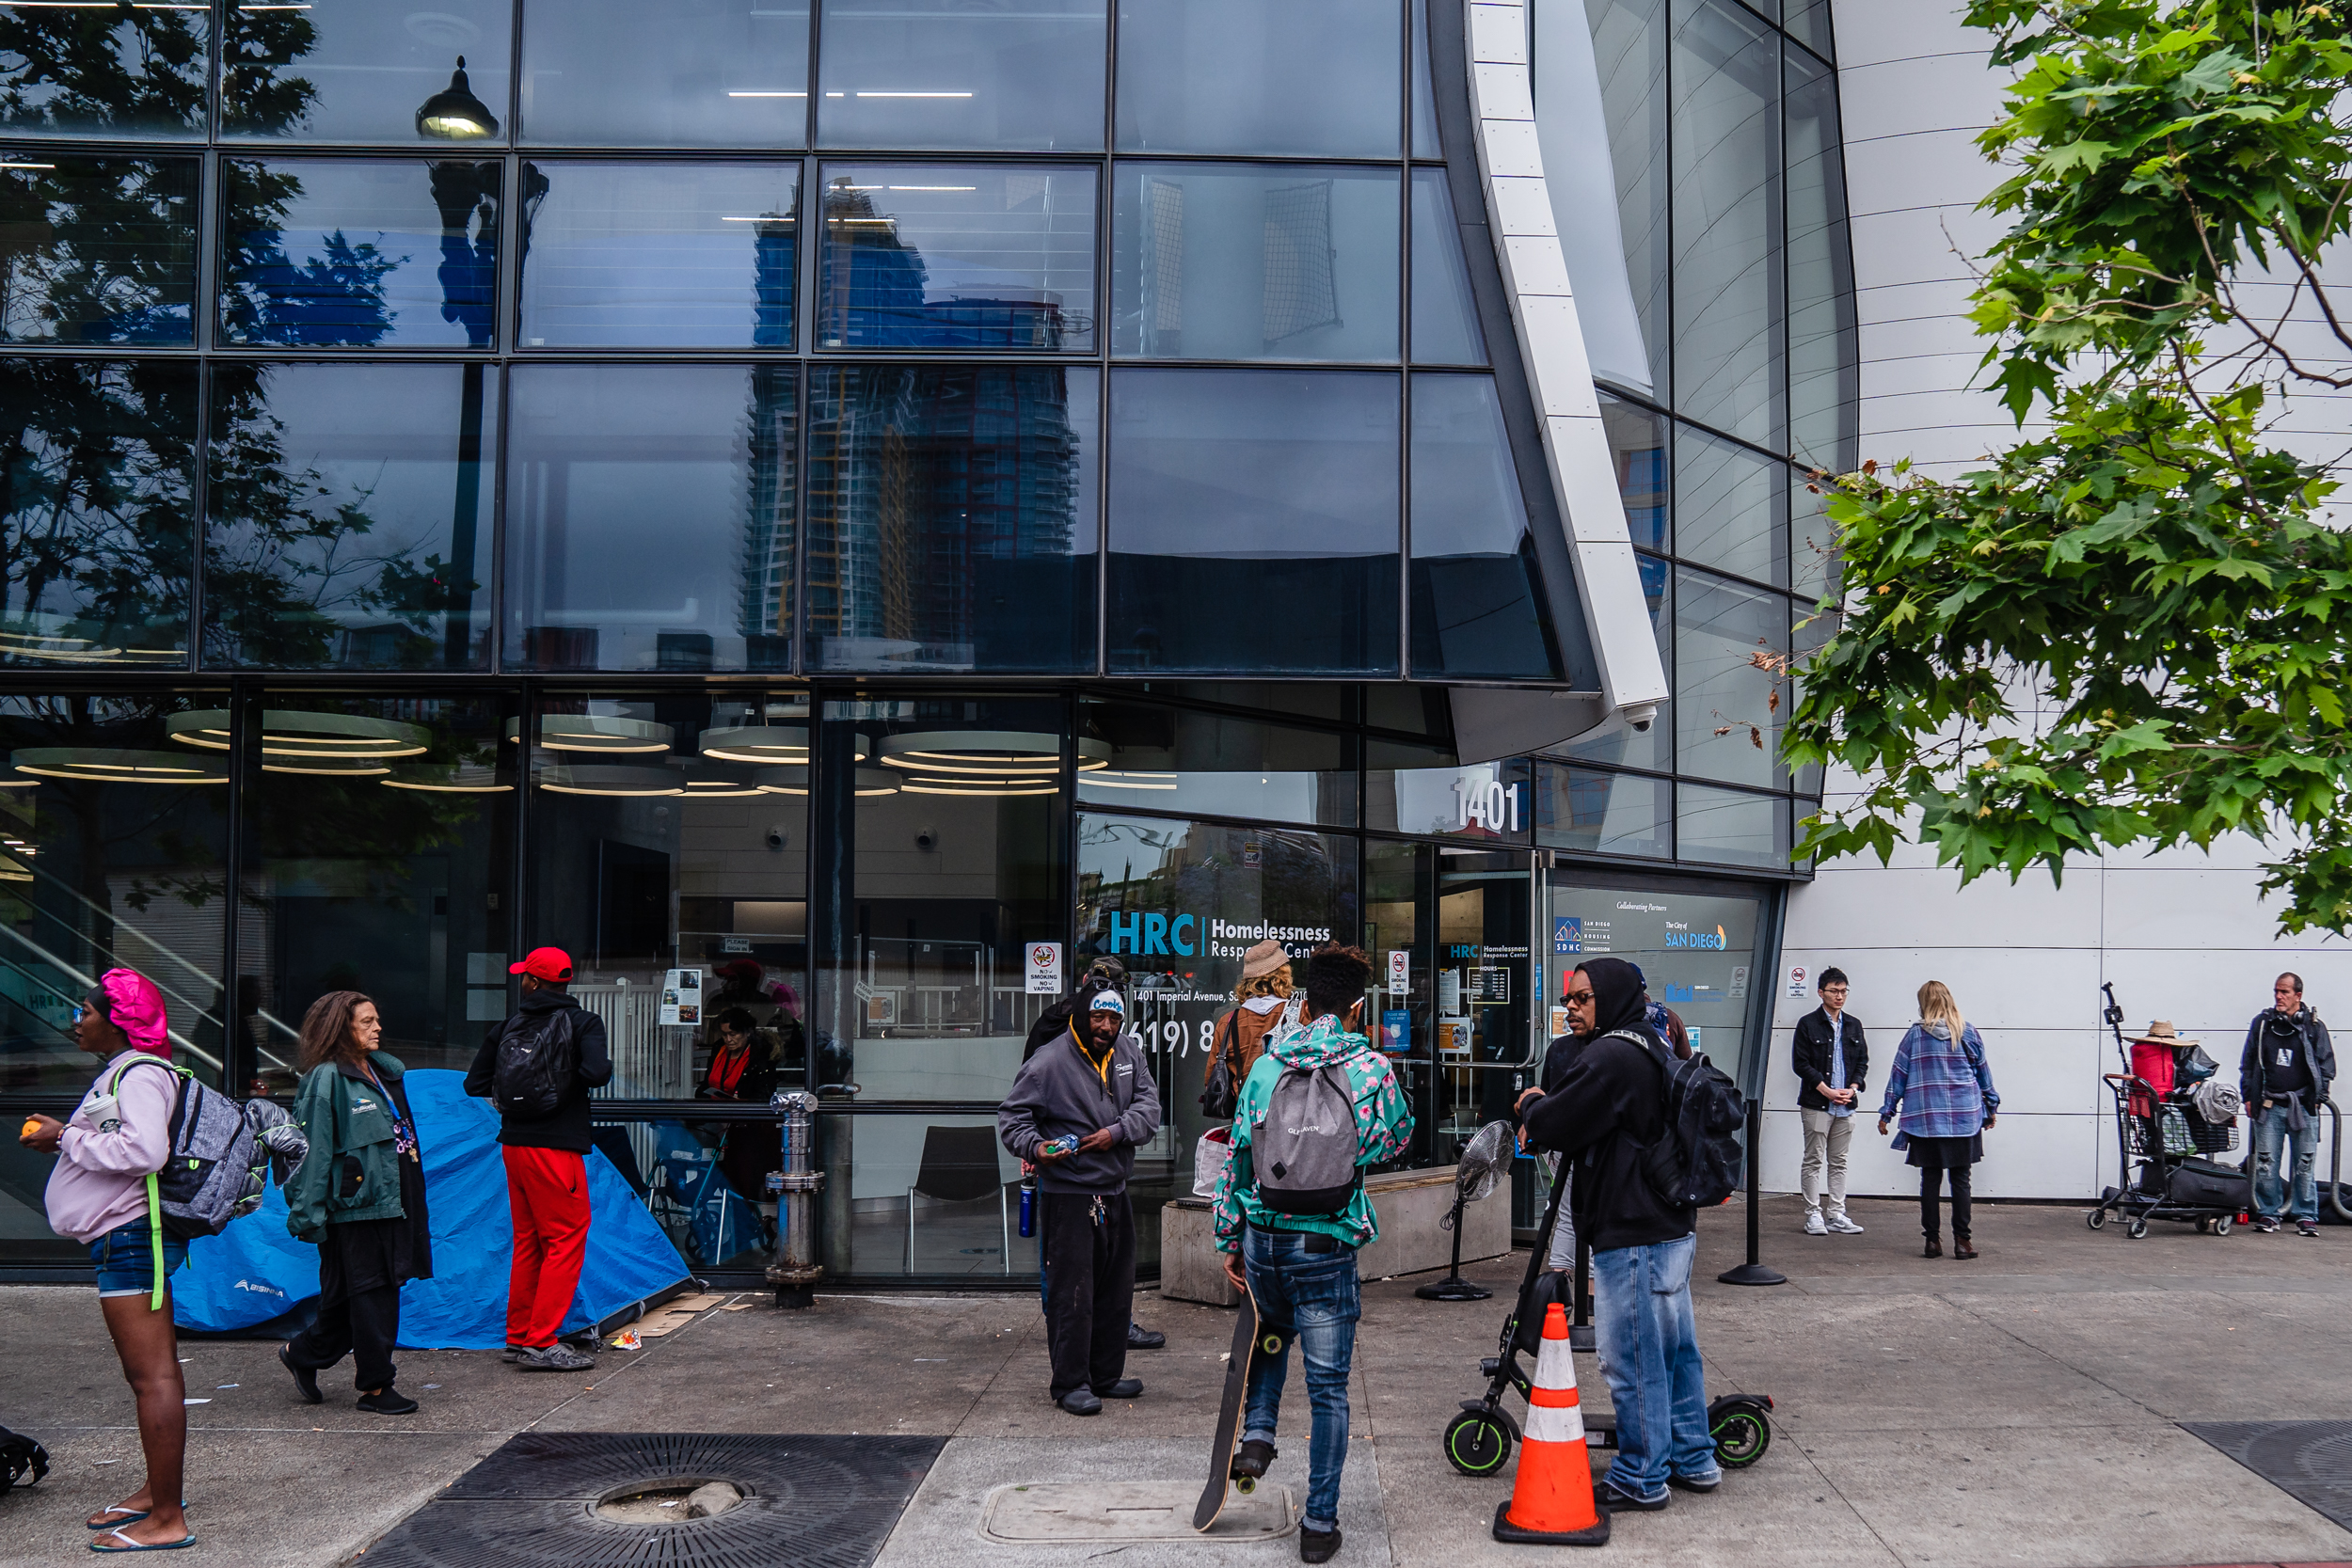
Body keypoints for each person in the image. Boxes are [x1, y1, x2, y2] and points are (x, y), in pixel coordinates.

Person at [1213, 943, 1412, 1564]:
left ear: (1304, 999)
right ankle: (1320, 1524)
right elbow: (1395, 1138)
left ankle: (1258, 1433)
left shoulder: (1269, 1064)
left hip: (1266, 1238)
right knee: (1327, 1389)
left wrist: (1230, 1236)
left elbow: (1237, 1155)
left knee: (1271, 1330)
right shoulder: (1371, 1067)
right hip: (1324, 1241)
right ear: (1356, 1006)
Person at [1518, 957, 1716, 1513]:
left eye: (1582, 997)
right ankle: (1693, 1457)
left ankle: (1641, 1475)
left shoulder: (1610, 1055)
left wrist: (1535, 1103)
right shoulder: (1651, 1042)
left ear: (1609, 995)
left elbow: (1553, 1125)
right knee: (1676, 1351)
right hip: (1670, 1225)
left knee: (1631, 1357)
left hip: (1631, 1233)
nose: (1570, 1007)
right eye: (1568, 999)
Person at [20, 969, 195, 1552]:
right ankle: (156, 1490)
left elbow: (144, 1150)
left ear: (117, 1017)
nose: (76, 1022)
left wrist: (64, 1135)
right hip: (124, 1237)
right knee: (151, 1375)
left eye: (83, 1012)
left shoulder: (140, 1074)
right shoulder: (126, 1072)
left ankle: (167, 1519)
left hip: (131, 1238)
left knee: (153, 1378)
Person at [998, 988, 1162, 1416]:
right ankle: (1070, 1384)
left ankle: (1105, 1376)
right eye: (1098, 1018)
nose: (1106, 1027)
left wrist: (1119, 1131)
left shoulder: (1129, 1052)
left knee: (1115, 1291)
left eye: (1114, 1019)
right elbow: (1012, 1118)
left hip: (1116, 1190)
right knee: (1073, 1295)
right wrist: (1036, 1148)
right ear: (1081, 1016)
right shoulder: (1049, 1061)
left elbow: (1150, 1104)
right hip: (1069, 1195)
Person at [280, 990, 432, 1416]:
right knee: (372, 1296)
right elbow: (310, 1153)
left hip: (393, 1201)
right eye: (366, 1021)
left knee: (351, 1298)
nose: (377, 1028)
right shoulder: (326, 1079)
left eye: (376, 1020)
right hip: (355, 1209)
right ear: (339, 1027)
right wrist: (307, 1214)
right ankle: (376, 1388)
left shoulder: (383, 1073)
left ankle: (303, 1354)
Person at [466, 946, 613, 1371]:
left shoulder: (509, 1026)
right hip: (557, 1145)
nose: (522, 982)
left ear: (533, 982)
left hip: (514, 1143)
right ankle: (541, 1340)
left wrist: (518, 1094)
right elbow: (598, 1072)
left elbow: (474, 1083)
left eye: (524, 977)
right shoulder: (583, 1022)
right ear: (565, 982)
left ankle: (518, 1337)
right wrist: (561, 1088)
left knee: (529, 1240)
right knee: (566, 1238)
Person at [1877, 980, 1998, 1259]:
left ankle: (1932, 1241)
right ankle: (1962, 1242)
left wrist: (1887, 1112)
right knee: (1961, 1179)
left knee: (1930, 1179)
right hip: (1964, 1117)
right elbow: (1983, 1075)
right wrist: (1991, 1108)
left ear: (1924, 1003)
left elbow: (1898, 1076)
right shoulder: (1967, 1032)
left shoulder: (1915, 1036)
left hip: (1926, 1118)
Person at [2241, 972, 2335, 1236]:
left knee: (2304, 1165)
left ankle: (2306, 1215)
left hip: (2303, 1107)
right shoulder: (2262, 1024)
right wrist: (2249, 1096)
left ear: (2298, 996)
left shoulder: (2314, 1027)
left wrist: (2317, 1098)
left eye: (2285, 992)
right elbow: (2248, 1063)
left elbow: (2327, 1065)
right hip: (2269, 1104)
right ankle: (2269, 1214)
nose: (2279, 997)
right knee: (2266, 1164)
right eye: (2276, 992)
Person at [1792, 967, 1868, 1236]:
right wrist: (1826, 1090)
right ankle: (1813, 1214)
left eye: (1843, 991)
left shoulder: (1853, 1024)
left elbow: (1862, 1062)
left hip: (1846, 1105)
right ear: (1820, 992)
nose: (1839, 996)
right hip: (1817, 1103)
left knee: (1839, 1161)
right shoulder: (1807, 1023)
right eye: (1834, 991)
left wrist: (1853, 1087)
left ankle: (1836, 1213)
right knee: (1813, 1159)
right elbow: (1800, 1064)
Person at [698, 1006, 781, 1202]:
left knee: (741, 1175)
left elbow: (763, 1096)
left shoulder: (759, 1057)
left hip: (746, 1126)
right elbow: (706, 1082)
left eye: (733, 1034)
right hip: (716, 1119)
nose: (728, 1040)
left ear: (747, 1033)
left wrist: (739, 1101)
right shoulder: (719, 1049)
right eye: (724, 1034)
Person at [1204, 940, 1296, 1101]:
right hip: (1291, 1115)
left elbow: (1210, 1078)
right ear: (1283, 976)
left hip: (1244, 1116)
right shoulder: (1300, 1014)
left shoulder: (1228, 1021)